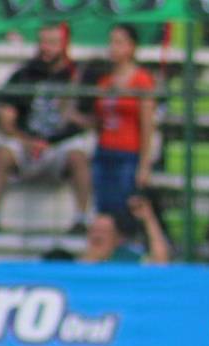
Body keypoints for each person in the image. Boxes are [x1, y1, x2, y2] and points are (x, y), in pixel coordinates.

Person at [0, 23, 93, 234]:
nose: (46, 48)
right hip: (27, 143)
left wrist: (72, 118)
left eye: (53, 43)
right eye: (42, 42)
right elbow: (6, 120)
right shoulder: (23, 75)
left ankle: (81, 219)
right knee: (2, 155)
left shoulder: (78, 77)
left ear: (65, 44)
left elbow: (92, 120)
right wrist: (27, 141)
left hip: (62, 145)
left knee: (79, 157)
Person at [91, 24, 156, 214]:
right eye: (111, 42)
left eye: (119, 42)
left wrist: (144, 165)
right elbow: (98, 119)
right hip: (104, 151)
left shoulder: (142, 80)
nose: (113, 47)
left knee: (124, 210)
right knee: (104, 208)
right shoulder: (104, 81)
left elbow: (147, 124)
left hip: (128, 154)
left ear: (131, 47)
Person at [81, 195, 170, 264]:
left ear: (118, 238)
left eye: (104, 231)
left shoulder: (128, 260)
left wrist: (148, 218)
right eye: (94, 230)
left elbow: (161, 263)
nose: (97, 235)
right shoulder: (76, 265)